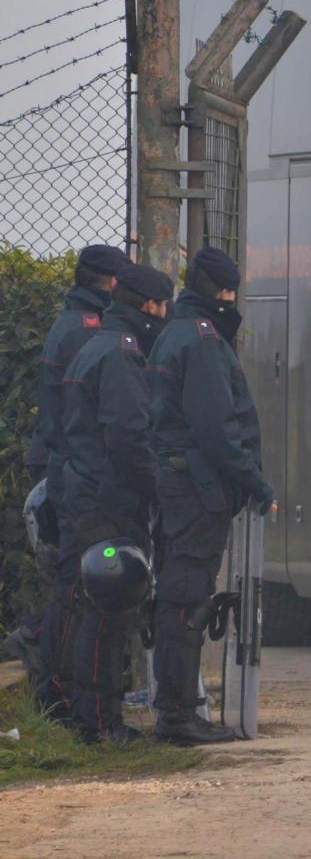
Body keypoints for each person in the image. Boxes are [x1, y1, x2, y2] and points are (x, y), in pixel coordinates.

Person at [148, 246, 274, 746]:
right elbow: (218, 427)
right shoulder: (201, 342)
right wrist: (254, 482)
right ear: (222, 292)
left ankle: (176, 708)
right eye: (229, 293)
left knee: (180, 595)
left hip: (182, 483)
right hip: (196, 489)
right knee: (186, 599)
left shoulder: (176, 332)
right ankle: (178, 714)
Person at [54, 261, 172, 742]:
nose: (165, 314)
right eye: (163, 306)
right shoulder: (122, 355)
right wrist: (155, 487)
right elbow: (127, 436)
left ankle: (88, 714)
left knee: (91, 606)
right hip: (108, 500)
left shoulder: (97, 345)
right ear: (148, 306)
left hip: (85, 491)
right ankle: (101, 723)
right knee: (110, 607)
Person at [7, 244, 129, 698]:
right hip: (73, 464)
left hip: (64, 459)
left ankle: (55, 671)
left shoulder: (77, 322)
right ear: (112, 284)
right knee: (79, 575)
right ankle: (47, 658)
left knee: (76, 573)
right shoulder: (87, 329)